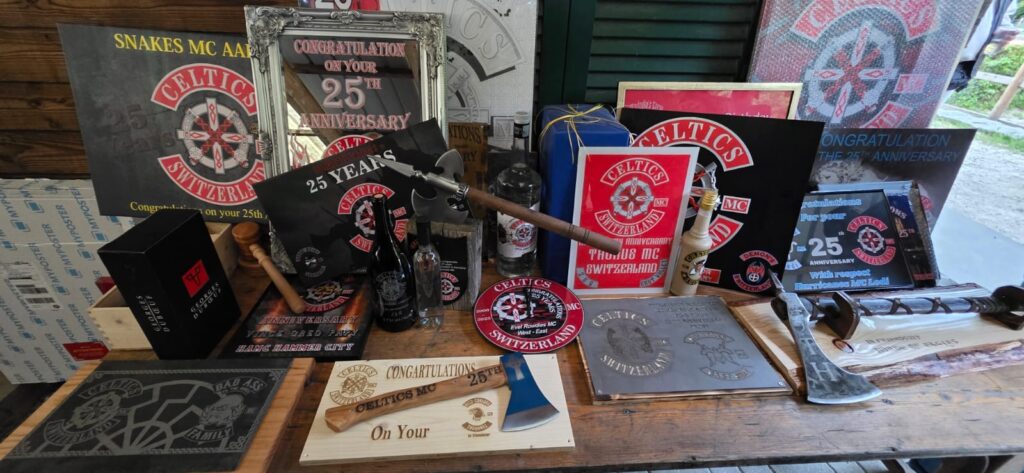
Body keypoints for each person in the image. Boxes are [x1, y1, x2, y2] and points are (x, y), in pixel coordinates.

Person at [947, 0, 1019, 98]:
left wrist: (1001, 35)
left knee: (931, 105)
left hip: (960, 67)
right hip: (931, 54)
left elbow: (1003, 20)